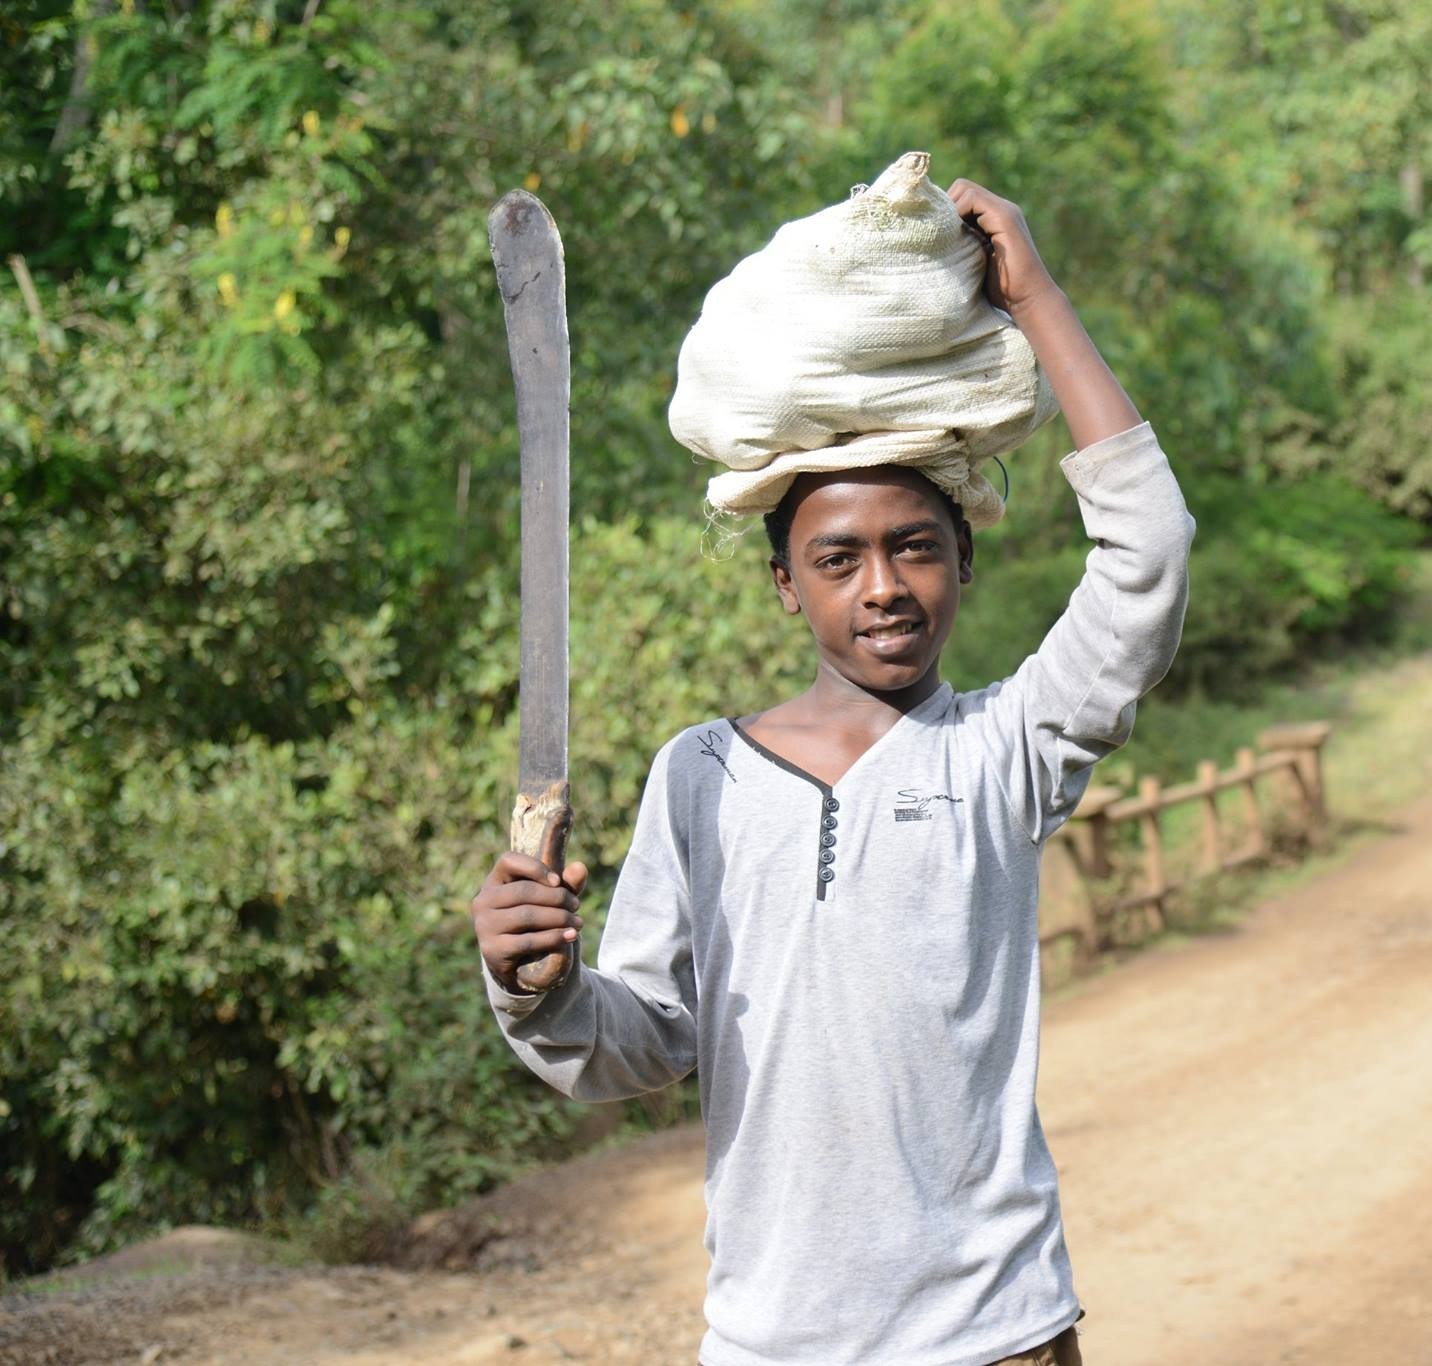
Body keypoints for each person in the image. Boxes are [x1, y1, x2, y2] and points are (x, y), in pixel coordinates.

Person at [467, 179, 1194, 1366]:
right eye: (837, 557)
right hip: (772, 1340)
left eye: (915, 547)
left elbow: (1146, 550)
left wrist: (1036, 295)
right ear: (784, 582)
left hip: (994, 1332)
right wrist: (534, 986)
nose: (882, 587)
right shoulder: (697, 777)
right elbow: (644, 1039)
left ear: (962, 559)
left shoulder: (1006, 749)